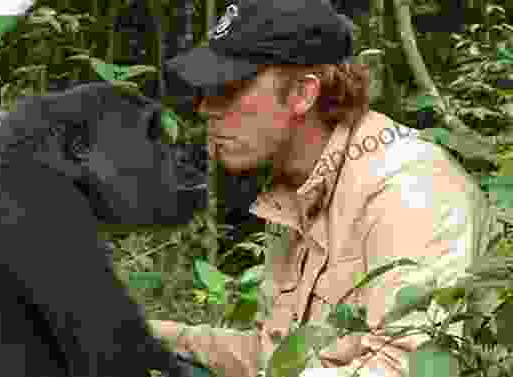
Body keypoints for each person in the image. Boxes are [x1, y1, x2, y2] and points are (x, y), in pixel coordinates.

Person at [150, 1, 497, 377]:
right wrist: (147, 332)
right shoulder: (297, 188)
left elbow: (406, 368)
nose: (205, 108)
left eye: (228, 87)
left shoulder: (410, 189)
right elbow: (276, 358)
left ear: (302, 93)